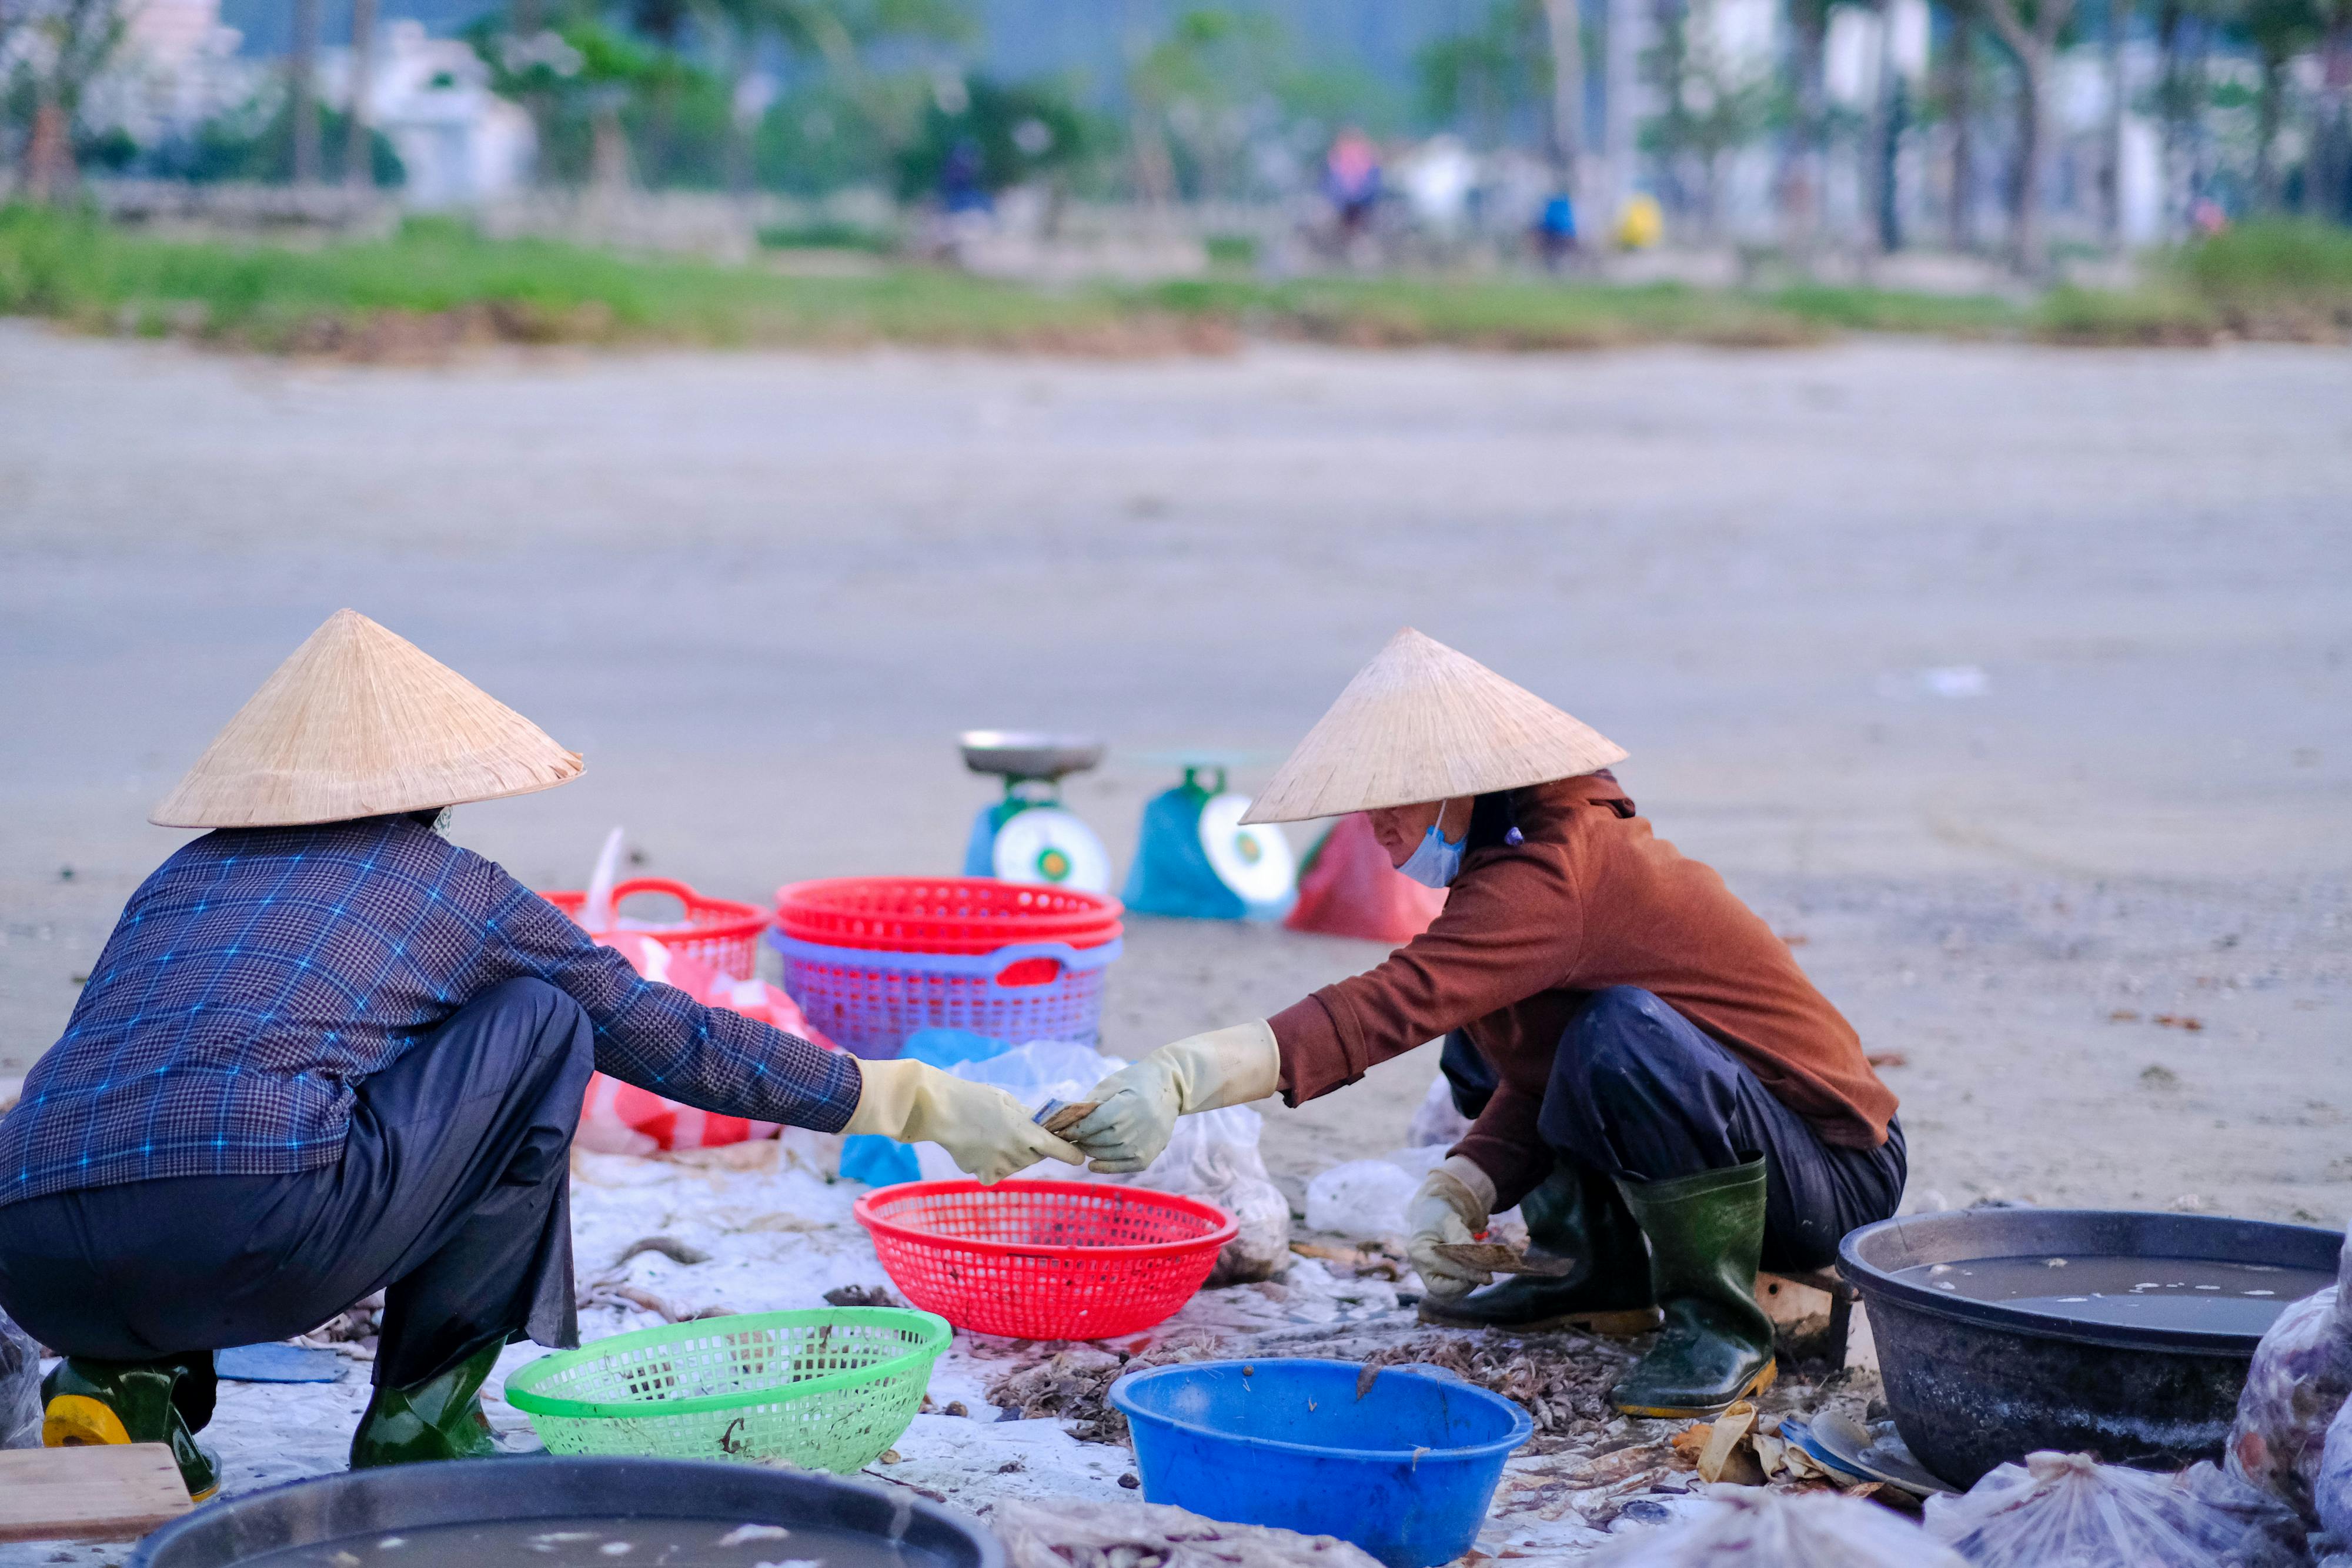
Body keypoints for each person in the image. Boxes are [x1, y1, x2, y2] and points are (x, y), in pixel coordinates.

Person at [0, 610, 1077, 1497]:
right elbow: (669, 1035)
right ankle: (423, 1418)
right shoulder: (453, 887)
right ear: (438, 790)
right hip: (253, 1234)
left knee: (171, 1102)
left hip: (34, 1255)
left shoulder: (180, 881)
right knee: (544, 1019)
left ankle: (125, 1386)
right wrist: (902, 1098)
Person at [1062, 628, 1903, 1419]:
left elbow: (1389, 1006)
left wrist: (1183, 1075)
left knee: (1620, 1034)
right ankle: (1594, 1274)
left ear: (1469, 780)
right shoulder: (1513, 856)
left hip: (1832, 1173)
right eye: (1365, 805)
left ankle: (1720, 1329)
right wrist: (1465, 1181)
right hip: (1745, 1134)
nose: (1377, 826)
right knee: (1484, 1025)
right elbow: (1535, 1065)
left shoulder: (1555, 867)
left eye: (1399, 799)